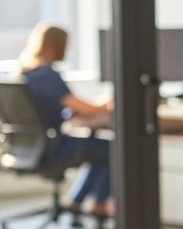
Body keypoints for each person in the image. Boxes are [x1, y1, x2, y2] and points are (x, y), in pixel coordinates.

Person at [18, 22, 115, 218]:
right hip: (54, 146)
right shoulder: (48, 74)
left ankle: (78, 201)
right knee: (113, 150)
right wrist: (110, 102)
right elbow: (87, 109)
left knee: (98, 149)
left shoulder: (27, 72)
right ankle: (97, 203)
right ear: (59, 46)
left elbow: (47, 109)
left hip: (32, 146)